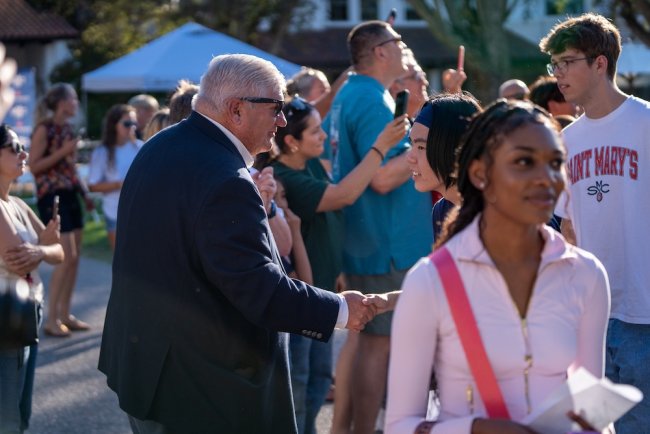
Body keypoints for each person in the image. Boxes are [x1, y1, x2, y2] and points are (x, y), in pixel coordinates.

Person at [98, 53, 380, 434]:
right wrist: (340, 310)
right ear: (236, 109)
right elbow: (259, 289)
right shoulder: (226, 178)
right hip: (198, 390)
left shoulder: (161, 145)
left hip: (149, 369)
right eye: (277, 108)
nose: (282, 121)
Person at [385, 99, 610, 434]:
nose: (545, 178)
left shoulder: (586, 274)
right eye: (523, 162)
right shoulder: (429, 280)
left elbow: (592, 406)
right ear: (479, 173)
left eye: (555, 163)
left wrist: (594, 427)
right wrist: (474, 428)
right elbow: (400, 425)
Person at [271, 96, 409, 434]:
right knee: (300, 381)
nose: (323, 137)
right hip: (302, 298)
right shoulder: (286, 176)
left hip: (322, 291)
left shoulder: (311, 164)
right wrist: (380, 147)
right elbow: (344, 195)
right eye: (316, 132)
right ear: (291, 142)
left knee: (319, 377)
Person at [540, 13, 650, 433]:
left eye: (567, 61)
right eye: (554, 64)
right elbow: (568, 227)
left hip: (644, 312)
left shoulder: (645, 123)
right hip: (593, 314)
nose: (558, 74)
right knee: (595, 427)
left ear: (600, 63)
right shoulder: (568, 140)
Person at [323, 20, 434, 433]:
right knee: (377, 347)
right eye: (399, 42)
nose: (406, 48)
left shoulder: (354, 92)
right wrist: (429, 151)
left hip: (370, 238)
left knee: (366, 342)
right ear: (382, 51)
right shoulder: (370, 98)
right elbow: (383, 178)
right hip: (385, 242)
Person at [0, 124, 64, 433]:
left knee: (21, 408)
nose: (24, 153)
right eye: (14, 148)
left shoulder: (18, 205)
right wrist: (44, 249)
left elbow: (59, 252)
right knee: (7, 413)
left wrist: (41, 250)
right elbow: (17, 260)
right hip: (6, 315)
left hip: (27, 312)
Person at [29, 83, 90, 337]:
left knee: (74, 259)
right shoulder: (45, 128)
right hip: (51, 195)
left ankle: (65, 314)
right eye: (73, 99)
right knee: (65, 258)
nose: (76, 103)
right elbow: (33, 165)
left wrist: (84, 193)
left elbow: (70, 168)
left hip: (70, 193)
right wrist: (64, 151)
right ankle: (51, 319)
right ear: (61, 102)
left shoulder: (66, 128)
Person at [407, 93, 482, 239]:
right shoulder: (442, 211)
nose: (410, 157)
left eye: (421, 147)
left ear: (454, 149)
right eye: (412, 144)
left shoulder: (496, 211)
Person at [87, 104, 143, 250]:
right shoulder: (102, 152)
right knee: (120, 263)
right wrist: (121, 184)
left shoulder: (141, 147)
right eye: (127, 123)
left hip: (140, 212)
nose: (132, 127)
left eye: (134, 123)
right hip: (115, 212)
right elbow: (93, 186)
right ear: (114, 125)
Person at [389, 48, 429, 119]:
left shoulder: (417, 123)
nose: (425, 82)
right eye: (416, 76)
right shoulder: (384, 124)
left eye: (422, 75)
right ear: (395, 86)